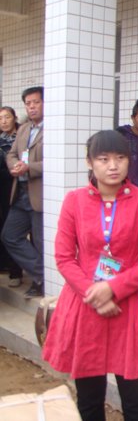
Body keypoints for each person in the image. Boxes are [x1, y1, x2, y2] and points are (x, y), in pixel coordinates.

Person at [42, 130, 138, 421]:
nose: (113, 166)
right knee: (89, 399)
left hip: (129, 308)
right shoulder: (74, 201)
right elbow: (64, 258)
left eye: (120, 158)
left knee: (135, 399)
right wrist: (94, 293)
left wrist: (113, 289)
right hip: (86, 307)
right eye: (104, 159)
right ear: (89, 162)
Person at [1, 87, 45, 298]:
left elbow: (56, 161)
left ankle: (41, 280)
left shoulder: (54, 128)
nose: (32, 107)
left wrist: (29, 167)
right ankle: (42, 274)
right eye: (28, 103)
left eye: (36, 102)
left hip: (40, 194)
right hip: (20, 193)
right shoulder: (24, 129)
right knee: (9, 236)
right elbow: (11, 154)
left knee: (40, 241)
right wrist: (14, 165)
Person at [0, 106, 22, 286]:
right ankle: (5, 264)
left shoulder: (22, 136)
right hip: (2, 187)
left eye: (7, 117)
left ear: (14, 118)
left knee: (13, 230)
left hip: (18, 188)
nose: (4, 121)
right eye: (1, 118)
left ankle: (17, 271)